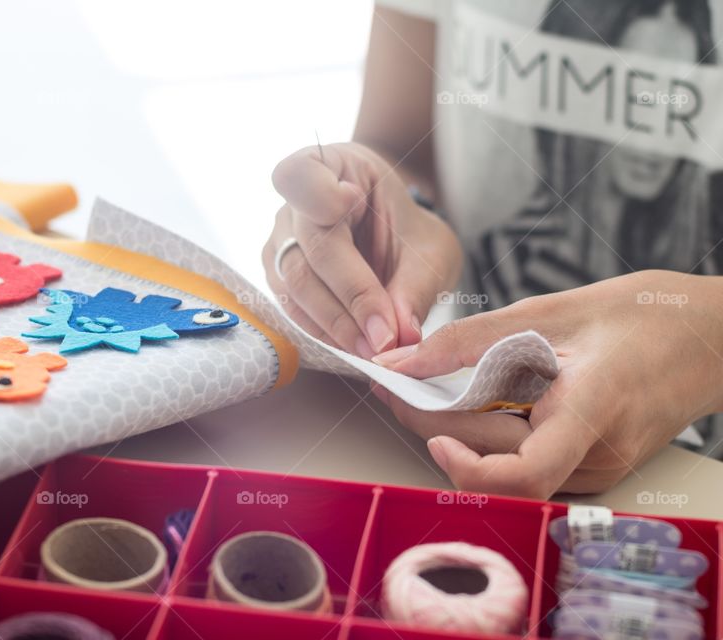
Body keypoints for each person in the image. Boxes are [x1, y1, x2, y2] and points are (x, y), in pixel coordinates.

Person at [263, 0, 723, 499]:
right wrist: (386, 208)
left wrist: (704, 341)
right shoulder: (519, 253)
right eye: (630, 95)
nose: (649, 135)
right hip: (456, 438)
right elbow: (398, 140)